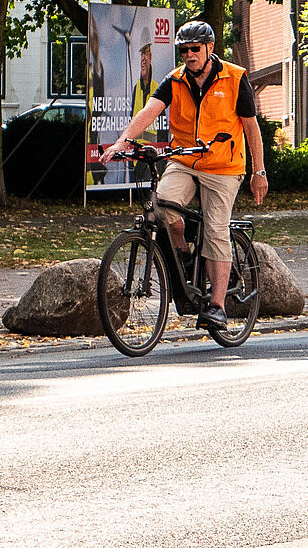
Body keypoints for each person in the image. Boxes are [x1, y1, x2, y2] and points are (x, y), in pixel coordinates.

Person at [100, 20, 267, 330]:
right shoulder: (174, 80)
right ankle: (185, 254)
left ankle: (216, 306)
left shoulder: (234, 78)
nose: (189, 55)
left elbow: (251, 128)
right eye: (184, 50)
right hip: (185, 160)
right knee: (160, 204)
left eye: (195, 49)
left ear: (209, 49)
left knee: (216, 229)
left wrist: (259, 171)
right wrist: (124, 141)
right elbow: (148, 111)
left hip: (224, 166)